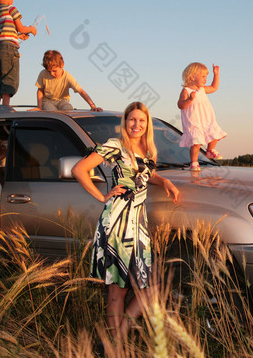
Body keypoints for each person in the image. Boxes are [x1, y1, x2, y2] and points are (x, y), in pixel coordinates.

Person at [72, 102, 179, 342]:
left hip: (139, 224)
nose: (136, 125)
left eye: (141, 121)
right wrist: (102, 196)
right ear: (125, 122)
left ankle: (116, 339)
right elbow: (80, 170)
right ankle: (116, 348)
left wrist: (164, 182)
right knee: (117, 289)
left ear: (147, 124)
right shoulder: (115, 146)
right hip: (117, 222)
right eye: (132, 120)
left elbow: (145, 176)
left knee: (150, 288)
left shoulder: (149, 151)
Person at [0, 0, 37, 107]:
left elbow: (4, 32)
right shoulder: (11, 9)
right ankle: (5, 108)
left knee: (0, 81)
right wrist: (31, 29)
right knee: (10, 80)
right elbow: (21, 28)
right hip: (9, 50)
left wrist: (18, 36)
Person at [177, 62, 227, 171]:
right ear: (192, 77)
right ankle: (194, 162)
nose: (205, 79)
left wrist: (216, 74)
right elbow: (180, 105)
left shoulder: (203, 89)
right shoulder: (186, 91)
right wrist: (189, 99)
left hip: (207, 119)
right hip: (194, 122)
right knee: (196, 143)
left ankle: (210, 150)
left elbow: (214, 87)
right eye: (203, 76)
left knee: (215, 135)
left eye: (206, 77)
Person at [31, 50, 103, 111]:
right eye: (49, 71)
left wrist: (92, 105)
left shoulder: (67, 77)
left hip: (62, 100)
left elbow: (81, 91)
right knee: (53, 113)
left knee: (69, 111)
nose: (52, 74)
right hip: (47, 100)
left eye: (54, 71)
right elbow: (40, 90)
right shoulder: (43, 74)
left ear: (62, 65)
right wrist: (39, 107)